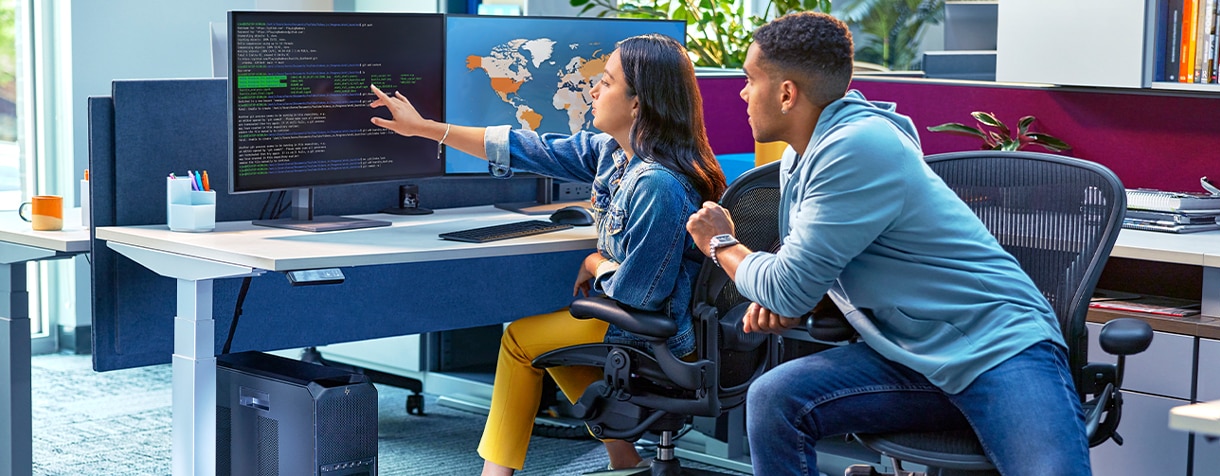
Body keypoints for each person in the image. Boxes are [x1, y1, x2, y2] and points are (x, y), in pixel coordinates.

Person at [684, 12, 1092, 476]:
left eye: (749, 79)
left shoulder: (857, 147)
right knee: (776, 398)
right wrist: (796, 291)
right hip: (910, 355)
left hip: (998, 348)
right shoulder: (802, 157)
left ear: (785, 93)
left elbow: (785, 288)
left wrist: (720, 241)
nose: (741, 92)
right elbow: (803, 270)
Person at [370, 33, 727, 476]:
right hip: (645, 319)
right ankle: (624, 459)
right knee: (552, 334)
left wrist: (594, 262)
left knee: (520, 339)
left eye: (607, 83)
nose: (592, 90)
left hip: (661, 334)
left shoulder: (657, 183)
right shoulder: (615, 155)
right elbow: (526, 148)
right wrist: (424, 128)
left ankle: (497, 474)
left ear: (638, 104)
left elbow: (639, 295)